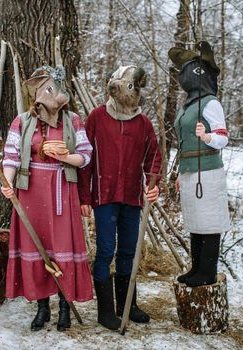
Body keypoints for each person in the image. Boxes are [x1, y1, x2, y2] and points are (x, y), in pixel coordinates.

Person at [1, 65, 93, 332]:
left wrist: (64, 156)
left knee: (60, 246)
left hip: (62, 190)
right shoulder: (22, 121)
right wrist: (8, 182)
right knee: (36, 244)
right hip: (30, 191)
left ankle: (64, 306)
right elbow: (11, 156)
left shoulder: (73, 120)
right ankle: (42, 307)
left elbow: (85, 156)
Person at [78, 66, 162, 331]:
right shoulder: (97, 117)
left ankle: (129, 304)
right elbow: (85, 160)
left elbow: (154, 158)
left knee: (128, 249)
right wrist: (84, 196)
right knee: (105, 250)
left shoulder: (143, 123)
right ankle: (106, 311)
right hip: (104, 195)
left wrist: (153, 183)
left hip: (132, 196)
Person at [168, 41, 230, 288]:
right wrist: (179, 173)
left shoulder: (211, 103)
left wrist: (207, 137)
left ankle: (208, 271)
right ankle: (196, 268)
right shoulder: (188, 106)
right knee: (195, 220)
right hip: (189, 170)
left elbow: (223, 138)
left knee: (209, 221)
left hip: (208, 170)